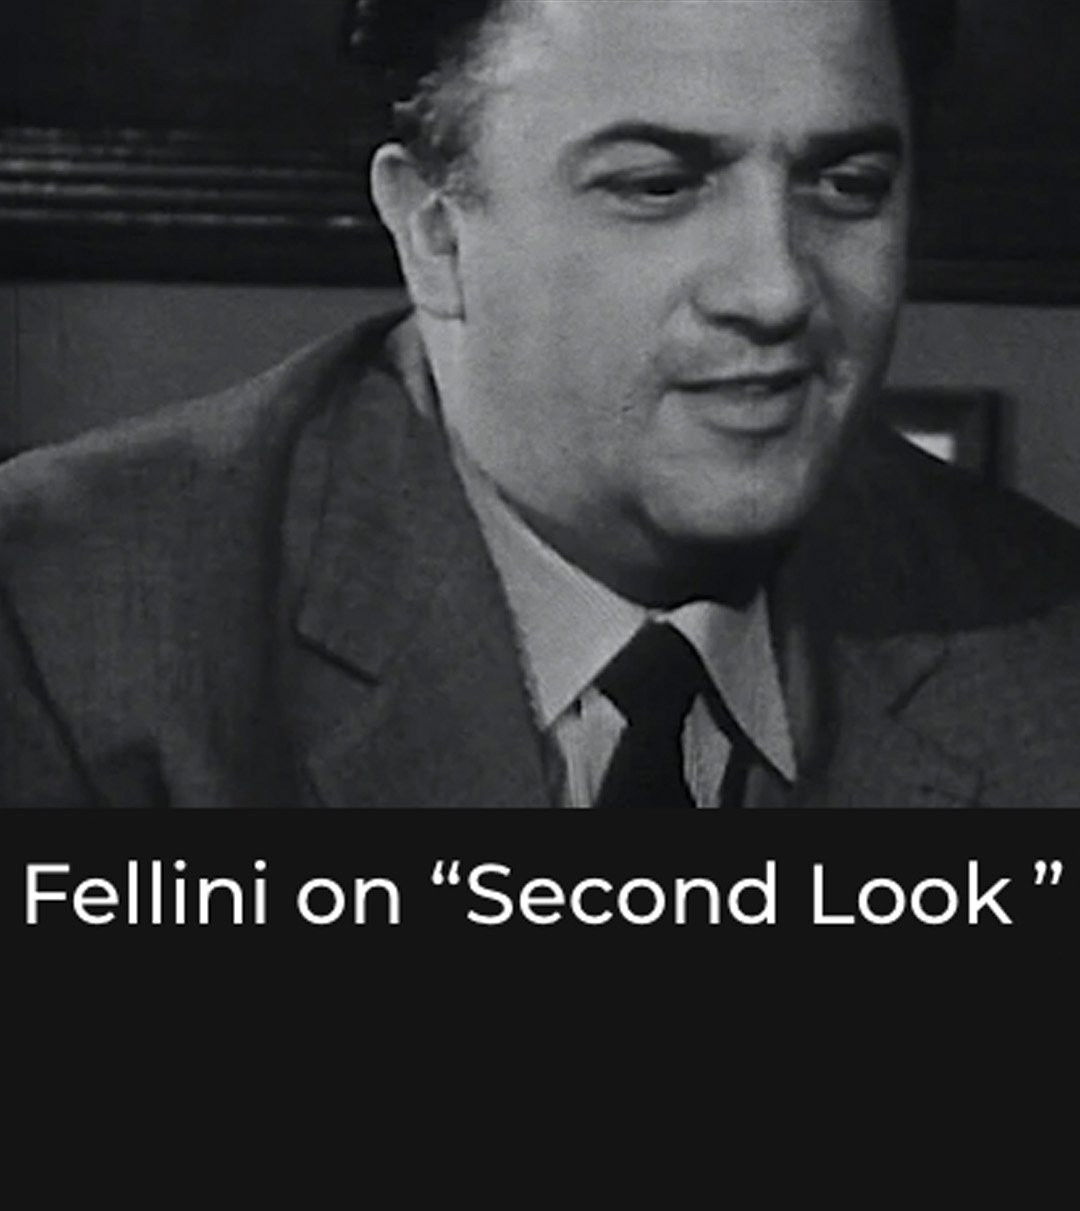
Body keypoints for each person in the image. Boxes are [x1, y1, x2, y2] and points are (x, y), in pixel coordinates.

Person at [1, 0, 1078, 808]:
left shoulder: (1048, 650)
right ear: (434, 232)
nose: (777, 289)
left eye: (847, 186)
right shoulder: (63, 626)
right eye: (657, 186)